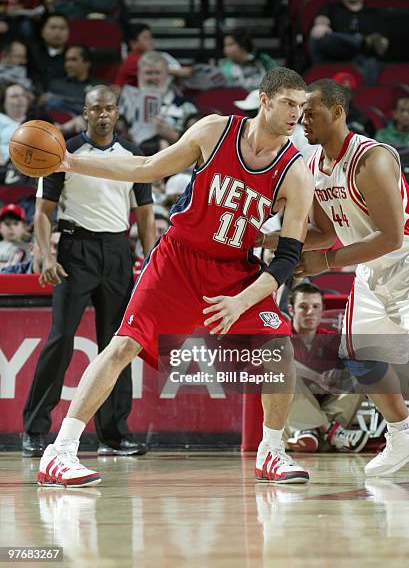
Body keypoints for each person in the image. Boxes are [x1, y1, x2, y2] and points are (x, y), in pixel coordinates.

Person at [36, 66, 314, 487]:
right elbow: (147, 167)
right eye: (289, 103)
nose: (296, 114)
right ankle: (60, 452)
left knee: (279, 347)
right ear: (265, 99)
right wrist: (72, 162)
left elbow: (287, 258)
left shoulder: (296, 171)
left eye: (302, 106)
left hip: (235, 272)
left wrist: (241, 301)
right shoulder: (214, 131)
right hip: (178, 259)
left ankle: (271, 452)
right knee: (122, 346)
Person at [23, 84, 156, 459]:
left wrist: (150, 261)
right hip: (74, 251)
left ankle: (114, 435)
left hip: (117, 252)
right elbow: (43, 211)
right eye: (96, 108)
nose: (102, 115)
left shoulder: (133, 155)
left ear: (117, 113)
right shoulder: (60, 151)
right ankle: (35, 430)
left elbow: (145, 215)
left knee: (116, 345)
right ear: (85, 111)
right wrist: (46, 256)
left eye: (109, 109)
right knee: (60, 339)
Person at [294, 78, 409, 476]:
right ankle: (401, 435)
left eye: (311, 112)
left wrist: (325, 263)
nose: (302, 120)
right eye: (301, 114)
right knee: (360, 356)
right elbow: (325, 233)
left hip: (406, 260)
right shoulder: (312, 165)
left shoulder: (372, 158)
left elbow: (392, 235)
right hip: (372, 269)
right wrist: (270, 238)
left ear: (338, 112)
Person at [286, 283, 368, 453]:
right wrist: (317, 377)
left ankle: (315, 432)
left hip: (325, 412)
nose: (310, 312)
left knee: (359, 377)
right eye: (303, 306)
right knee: (282, 374)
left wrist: (341, 375)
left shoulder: (332, 340)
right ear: (291, 309)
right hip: (289, 421)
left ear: (322, 310)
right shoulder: (279, 336)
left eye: (316, 306)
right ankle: (327, 431)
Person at [309, 0, 389, 84]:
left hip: (362, 61)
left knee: (370, 62)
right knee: (319, 37)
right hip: (335, 54)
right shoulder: (331, 8)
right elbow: (321, 21)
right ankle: (361, 41)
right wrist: (321, 24)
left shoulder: (374, 14)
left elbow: (383, 44)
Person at [119, 51, 198, 154]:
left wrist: (173, 136)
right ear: (139, 74)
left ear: (168, 75)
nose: (153, 78)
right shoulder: (124, 104)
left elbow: (197, 148)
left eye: (157, 73)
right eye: (148, 73)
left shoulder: (186, 106)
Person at [114, 22, 191, 88]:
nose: (151, 41)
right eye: (146, 38)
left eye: (151, 37)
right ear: (133, 44)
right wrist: (179, 72)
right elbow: (159, 70)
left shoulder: (145, 58)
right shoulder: (133, 60)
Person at [0, 203, 30, 268]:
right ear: (0, 226)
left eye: (16, 223)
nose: (11, 227)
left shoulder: (30, 249)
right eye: (7, 224)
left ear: (24, 227)